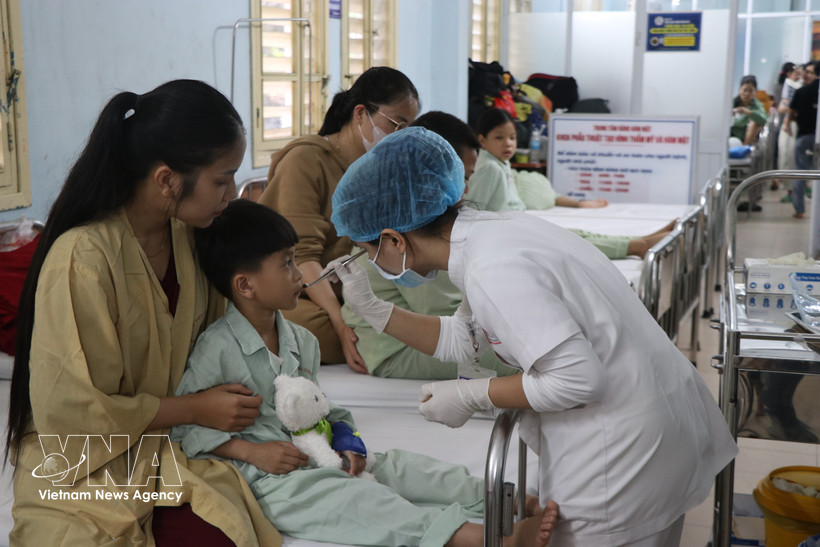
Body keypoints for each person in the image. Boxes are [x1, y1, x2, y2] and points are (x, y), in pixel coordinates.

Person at [326, 127, 738, 546]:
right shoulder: (490, 235)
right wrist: (378, 313)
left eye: (369, 250)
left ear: (395, 239)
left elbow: (578, 379)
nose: (373, 262)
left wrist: (473, 395)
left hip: (620, 451)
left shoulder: (492, 267)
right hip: (655, 423)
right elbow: (468, 337)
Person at [171, 199, 558, 547]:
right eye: (287, 264)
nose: (300, 276)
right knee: (360, 502)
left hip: (318, 451)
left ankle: (504, 497)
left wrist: (348, 441)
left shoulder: (302, 341)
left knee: (402, 467)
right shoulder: (217, 350)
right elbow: (188, 431)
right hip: (269, 480)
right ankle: (480, 540)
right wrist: (251, 451)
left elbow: (319, 407)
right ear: (245, 285)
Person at [5, 80, 280, 545]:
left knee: (229, 530)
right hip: (84, 465)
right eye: (221, 179)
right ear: (167, 179)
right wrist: (195, 407)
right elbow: (72, 412)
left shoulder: (189, 240)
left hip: (173, 446)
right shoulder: (83, 259)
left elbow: (223, 341)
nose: (231, 193)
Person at [258, 66, 419, 373]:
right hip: (297, 295)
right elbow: (301, 256)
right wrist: (341, 323)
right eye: (395, 124)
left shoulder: (376, 172)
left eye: (407, 130)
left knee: (406, 315)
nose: (399, 137)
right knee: (313, 331)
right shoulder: (306, 160)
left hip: (349, 295)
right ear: (360, 113)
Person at [339, 110, 518, 379]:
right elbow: (445, 319)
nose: (465, 190)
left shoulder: (423, 224)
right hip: (398, 348)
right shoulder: (412, 237)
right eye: (462, 177)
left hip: (432, 331)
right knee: (519, 356)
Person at [465, 108, 674, 259]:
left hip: (517, 224)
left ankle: (643, 239)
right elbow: (474, 213)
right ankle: (637, 246)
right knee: (572, 241)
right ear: (483, 141)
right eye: (499, 137)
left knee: (577, 234)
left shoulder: (501, 164)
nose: (508, 143)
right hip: (508, 232)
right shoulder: (490, 169)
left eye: (512, 137)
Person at [787, 60, 820, 219]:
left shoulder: (801, 92)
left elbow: (791, 113)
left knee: (800, 173)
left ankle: (799, 210)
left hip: (804, 137)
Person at [775, 62, 803, 191]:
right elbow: (783, 107)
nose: (798, 76)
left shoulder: (801, 87)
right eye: (795, 73)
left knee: (792, 157)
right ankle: (786, 186)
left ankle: (792, 188)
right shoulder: (787, 86)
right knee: (785, 154)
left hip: (796, 125)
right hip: (789, 124)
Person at [731, 75, 768, 146]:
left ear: (755, 92)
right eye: (745, 90)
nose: (747, 94)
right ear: (740, 90)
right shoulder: (732, 103)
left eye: (750, 91)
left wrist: (748, 112)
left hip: (746, 138)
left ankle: (743, 150)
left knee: (754, 123)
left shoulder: (757, 105)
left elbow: (763, 120)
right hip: (731, 136)